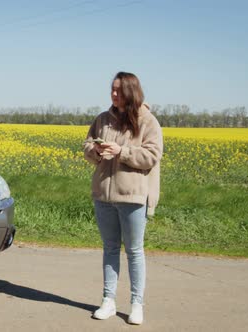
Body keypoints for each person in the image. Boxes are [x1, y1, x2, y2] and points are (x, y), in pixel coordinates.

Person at [83, 72, 163, 325]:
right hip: (103, 194)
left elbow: (151, 155)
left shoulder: (148, 121)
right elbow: (86, 145)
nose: (113, 94)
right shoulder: (102, 119)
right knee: (109, 248)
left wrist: (122, 152)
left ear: (131, 91)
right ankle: (108, 301)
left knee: (134, 251)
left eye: (118, 90)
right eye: (112, 89)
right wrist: (95, 150)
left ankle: (136, 304)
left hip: (133, 196)